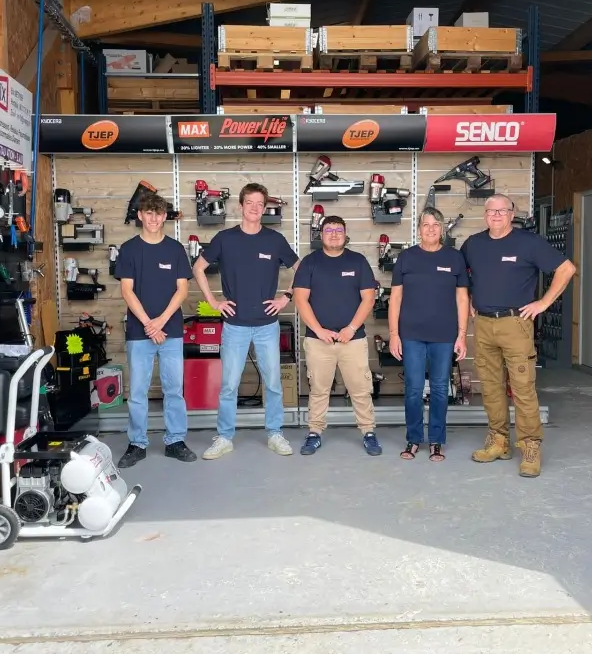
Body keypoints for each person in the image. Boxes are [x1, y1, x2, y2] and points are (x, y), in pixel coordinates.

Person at [461, 194, 576, 478]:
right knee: (490, 386)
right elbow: (462, 278)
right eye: (491, 211)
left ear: (512, 214)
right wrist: (472, 299)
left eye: (503, 210)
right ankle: (498, 441)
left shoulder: (529, 243)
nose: (497, 215)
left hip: (516, 323)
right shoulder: (473, 245)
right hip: (484, 325)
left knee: (523, 389)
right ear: (485, 214)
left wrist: (543, 303)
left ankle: (530, 446)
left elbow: (566, 269)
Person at [193, 182, 300, 460]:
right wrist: (214, 302)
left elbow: (302, 270)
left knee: (273, 383)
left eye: (259, 204)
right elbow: (198, 268)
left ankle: (275, 433)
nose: (254, 208)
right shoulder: (224, 239)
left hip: (267, 325)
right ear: (240, 206)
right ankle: (225, 437)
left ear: (265, 208)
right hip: (235, 326)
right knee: (229, 385)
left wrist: (285, 297)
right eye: (249, 203)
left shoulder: (274, 240)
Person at [114, 192, 196, 468]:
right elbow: (127, 291)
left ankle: (175, 441)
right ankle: (137, 443)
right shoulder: (128, 249)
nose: (153, 219)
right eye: (148, 213)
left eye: (158, 214)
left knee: (174, 391)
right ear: (140, 215)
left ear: (164, 217)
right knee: (138, 392)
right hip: (140, 334)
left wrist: (160, 321)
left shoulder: (175, 250)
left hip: (170, 331)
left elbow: (182, 289)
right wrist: (150, 325)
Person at [292, 215, 381, 456]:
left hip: (352, 340)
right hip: (317, 340)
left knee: (360, 389)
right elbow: (300, 299)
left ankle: (368, 432)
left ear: (345, 233)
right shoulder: (309, 263)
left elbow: (369, 298)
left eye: (338, 230)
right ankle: (314, 433)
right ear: (321, 235)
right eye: (328, 230)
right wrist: (319, 330)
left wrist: (351, 328)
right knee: (319, 390)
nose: (333, 234)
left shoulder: (358, 261)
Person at [388, 207, 469, 463]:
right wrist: (393, 334)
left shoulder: (455, 258)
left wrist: (462, 335)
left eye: (436, 224)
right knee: (412, 389)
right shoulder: (407, 258)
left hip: (444, 335)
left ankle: (436, 441)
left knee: (439, 389)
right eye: (426, 224)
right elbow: (396, 298)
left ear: (442, 228)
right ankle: (413, 439)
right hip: (411, 334)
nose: (431, 229)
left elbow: (462, 298)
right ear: (419, 228)